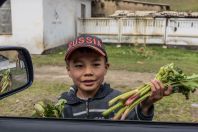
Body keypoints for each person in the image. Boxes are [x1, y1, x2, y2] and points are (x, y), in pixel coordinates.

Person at [59, 34, 172, 120]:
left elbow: (136, 126)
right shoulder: (63, 104)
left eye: (96, 64)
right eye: (79, 66)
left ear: (106, 67)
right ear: (69, 70)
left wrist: (146, 105)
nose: (88, 72)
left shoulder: (119, 100)